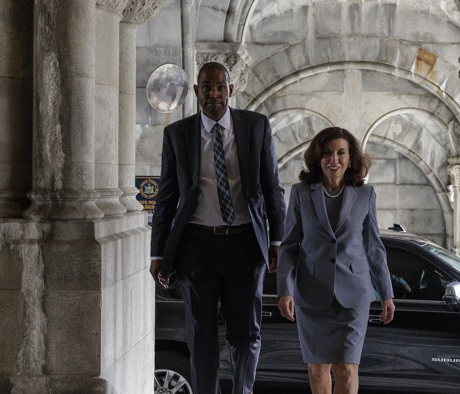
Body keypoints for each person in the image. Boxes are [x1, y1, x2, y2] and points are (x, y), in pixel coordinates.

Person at [149, 61, 286, 394]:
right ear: (196, 91)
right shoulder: (177, 134)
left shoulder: (256, 126)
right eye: (206, 87)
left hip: (244, 245)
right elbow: (166, 196)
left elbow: (272, 188)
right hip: (197, 247)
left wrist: (278, 242)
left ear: (231, 90)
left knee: (246, 334)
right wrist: (157, 253)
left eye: (220, 87)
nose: (213, 94)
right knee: (202, 336)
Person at [276, 127, 395, 394]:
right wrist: (285, 289)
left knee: (346, 368)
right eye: (327, 153)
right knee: (318, 370)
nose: (334, 159)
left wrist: (386, 293)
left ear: (351, 158)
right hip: (312, 293)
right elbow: (289, 246)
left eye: (341, 152)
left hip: (354, 295)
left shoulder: (366, 195)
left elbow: (373, 247)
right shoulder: (301, 192)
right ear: (318, 158)